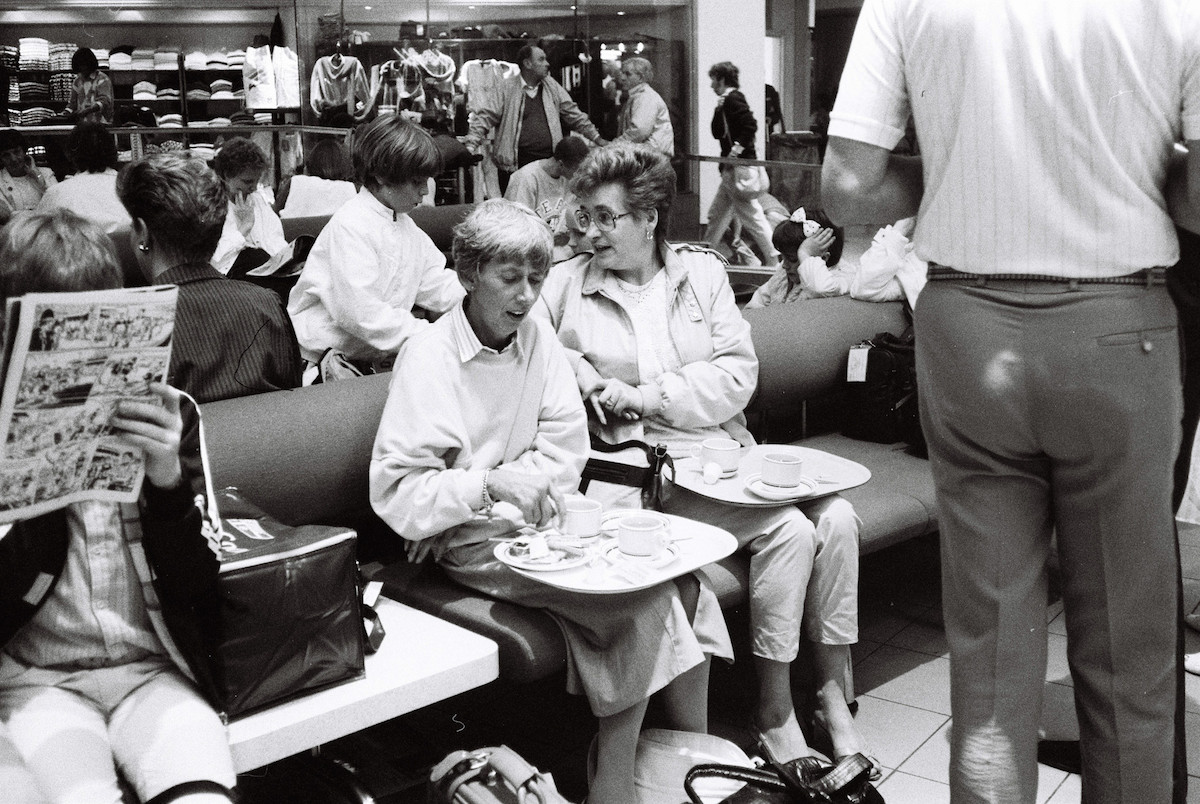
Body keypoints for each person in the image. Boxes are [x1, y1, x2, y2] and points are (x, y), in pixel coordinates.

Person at [821, 2, 1200, 802]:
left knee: (990, 650)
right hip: (1116, 330)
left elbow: (847, 188)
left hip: (969, 329)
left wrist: (971, 168)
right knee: (1129, 653)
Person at [370, 199, 732, 804]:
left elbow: (564, 453)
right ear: (466, 275)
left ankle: (684, 763)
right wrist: (488, 488)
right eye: (509, 278)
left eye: (536, 279)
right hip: (474, 546)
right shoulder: (429, 356)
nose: (526, 295)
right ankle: (615, 787)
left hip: (533, 529)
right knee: (643, 607)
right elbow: (398, 490)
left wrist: (494, 489)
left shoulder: (538, 342)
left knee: (686, 588)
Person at [534, 143, 873, 776]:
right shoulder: (564, 285)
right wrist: (579, 369)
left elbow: (737, 376)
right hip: (644, 473)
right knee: (796, 530)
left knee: (839, 518)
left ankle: (830, 694)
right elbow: (535, 352)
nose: (590, 230)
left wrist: (646, 395)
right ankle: (775, 714)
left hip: (721, 455)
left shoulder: (702, 275)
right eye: (586, 215)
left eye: (607, 217)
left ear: (649, 218)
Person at [0, 209, 236, 804]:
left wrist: (165, 485)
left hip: (153, 670)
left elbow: (201, 588)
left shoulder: (168, 416)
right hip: (39, 680)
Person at [117, 152, 301, 496]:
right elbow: (292, 402)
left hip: (178, 502)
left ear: (142, 232)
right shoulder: (266, 304)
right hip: (278, 487)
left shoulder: (133, 324)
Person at [287, 115, 464, 372]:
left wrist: (482, 296)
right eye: (417, 182)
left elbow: (437, 283)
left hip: (361, 359)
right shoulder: (352, 225)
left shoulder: (406, 227)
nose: (425, 191)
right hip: (316, 365)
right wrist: (435, 336)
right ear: (381, 175)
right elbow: (363, 315)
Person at [464, 44, 607, 190]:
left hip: (548, 164)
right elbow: (485, 117)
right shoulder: (506, 88)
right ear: (527, 64)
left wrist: (596, 138)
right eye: (541, 59)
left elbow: (573, 114)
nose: (547, 64)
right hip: (515, 165)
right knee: (517, 210)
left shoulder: (551, 86)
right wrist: (470, 145)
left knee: (547, 209)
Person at [703, 62, 778, 267]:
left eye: (713, 79)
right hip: (733, 170)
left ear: (721, 79)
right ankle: (704, 255)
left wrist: (735, 150)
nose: (711, 85)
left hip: (738, 169)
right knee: (716, 215)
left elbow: (750, 125)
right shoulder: (727, 100)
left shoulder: (733, 98)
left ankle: (774, 259)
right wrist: (719, 110)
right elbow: (717, 132)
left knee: (752, 217)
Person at [209, 137, 289, 276]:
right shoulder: (212, 206)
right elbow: (215, 260)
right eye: (247, 182)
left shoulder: (258, 200)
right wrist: (244, 227)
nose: (253, 188)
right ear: (227, 176)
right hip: (230, 276)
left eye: (256, 181)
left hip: (267, 270)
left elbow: (276, 240)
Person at [35, 122, 130, 233]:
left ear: (70, 154)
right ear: (113, 150)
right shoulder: (132, 187)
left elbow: (38, 237)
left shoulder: (57, 193)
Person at [745, 208, 850, 308]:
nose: (784, 265)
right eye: (782, 257)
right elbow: (760, 299)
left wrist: (805, 254)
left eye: (793, 259)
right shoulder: (784, 274)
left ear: (822, 259)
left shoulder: (838, 280)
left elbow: (819, 289)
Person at [504, 134, 589, 227]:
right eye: (577, 170)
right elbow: (515, 223)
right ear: (561, 164)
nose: (579, 175)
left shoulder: (568, 179)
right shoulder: (525, 178)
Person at [274, 137, 357, 219]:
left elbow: (273, 216)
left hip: (295, 231)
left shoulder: (296, 183)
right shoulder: (350, 189)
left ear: (310, 164)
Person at [613, 57, 674, 157]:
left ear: (641, 77)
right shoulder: (638, 96)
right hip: (649, 156)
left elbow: (640, 131)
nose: (622, 78)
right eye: (622, 73)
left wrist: (615, 145)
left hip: (651, 158)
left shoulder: (645, 97)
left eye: (628, 74)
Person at [0, 130, 57, 226]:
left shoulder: (46, 173)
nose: (13, 159)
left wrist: (36, 175)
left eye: (17, 152)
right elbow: (6, 216)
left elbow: (58, 201)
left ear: (24, 152)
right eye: (6, 155)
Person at [64, 47, 113, 125]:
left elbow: (104, 101)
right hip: (82, 125)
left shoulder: (102, 79)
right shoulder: (77, 81)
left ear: (90, 65)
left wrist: (88, 110)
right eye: (80, 67)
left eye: (84, 66)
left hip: (101, 124)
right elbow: (72, 103)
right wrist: (66, 112)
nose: (82, 70)